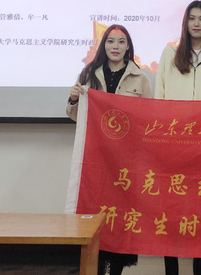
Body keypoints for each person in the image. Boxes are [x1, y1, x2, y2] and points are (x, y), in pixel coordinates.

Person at [67, 24, 152, 275]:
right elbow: (76, 116)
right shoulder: (89, 73)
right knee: (96, 214)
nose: (115, 46)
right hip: (96, 159)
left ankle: (116, 270)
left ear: (128, 47)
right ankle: (97, 267)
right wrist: (73, 99)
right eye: (110, 41)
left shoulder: (140, 78)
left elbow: (148, 119)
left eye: (121, 42)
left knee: (122, 216)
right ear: (103, 45)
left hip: (127, 161)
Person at [154, 0, 201, 275]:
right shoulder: (169, 54)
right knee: (172, 212)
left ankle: (200, 270)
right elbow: (159, 99)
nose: (196, 23)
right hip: (173, 145)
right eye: (191, 18)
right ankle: (171, 270)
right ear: (185, 23)